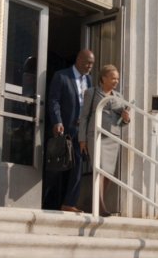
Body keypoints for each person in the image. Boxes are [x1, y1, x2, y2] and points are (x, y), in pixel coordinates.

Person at [43, 49, 94, 212]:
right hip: (64, 129)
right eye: (88, 62)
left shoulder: (89, 80)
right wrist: (57, 121)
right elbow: (54, 100)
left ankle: (69, 203)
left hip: (81, 131)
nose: (90, 66)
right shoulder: (61, 76)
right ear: (79, 60)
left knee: (78, 166)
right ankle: (42, 199)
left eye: (92, 64)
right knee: (56, 167)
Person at [78, 64, 130, 217]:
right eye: (113, 78)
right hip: (96, 135)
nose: (116, 81)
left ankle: (95, 202)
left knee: (108, 173)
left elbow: (125, 117)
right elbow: (84, 117)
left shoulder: (119, 97)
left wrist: (127, 118)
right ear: (103, 78)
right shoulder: (91, 93)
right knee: (99, 169)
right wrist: (82, 139)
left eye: (117, 79)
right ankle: (100, 206)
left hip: (113, 137)